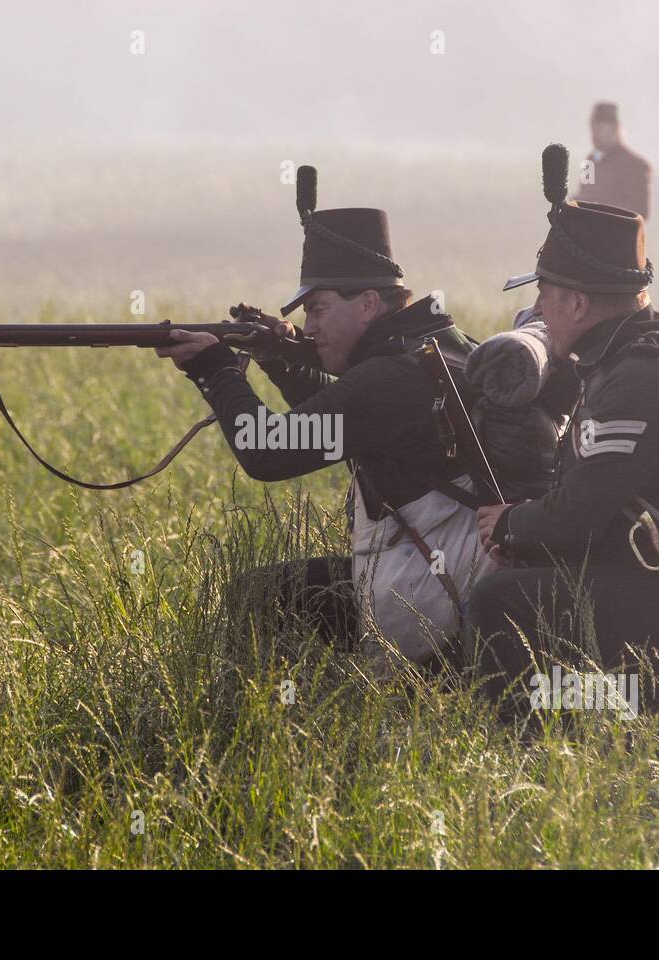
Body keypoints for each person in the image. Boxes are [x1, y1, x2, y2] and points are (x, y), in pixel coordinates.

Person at [153, 168, 550, 676]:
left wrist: (217, 372)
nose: (310, 326)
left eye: (318, 309)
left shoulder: (389, 375)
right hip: (456, 578)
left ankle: (288, 722)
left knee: (258, 600)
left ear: (367, 304)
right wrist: (278, 358)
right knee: (269, 593)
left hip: (429, 597)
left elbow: (268, 451)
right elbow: (348, 415)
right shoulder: (435, 344)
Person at [467, 145, 659, 720]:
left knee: (498, 597)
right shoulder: (630, 357)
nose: (538, 306)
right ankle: (591, 713)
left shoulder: (638, 379)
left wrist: (512, 523)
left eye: (545, 292)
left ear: (576, 302)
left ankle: (553, 729)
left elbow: (579, 514)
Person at [574, 102, 652, 221]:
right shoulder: (589, 162)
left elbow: (640, 212)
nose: (595, 132)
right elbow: (583, 194)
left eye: (600, 127)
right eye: (593, 127)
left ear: (615, 129)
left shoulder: (635, 165)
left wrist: (600, 209)